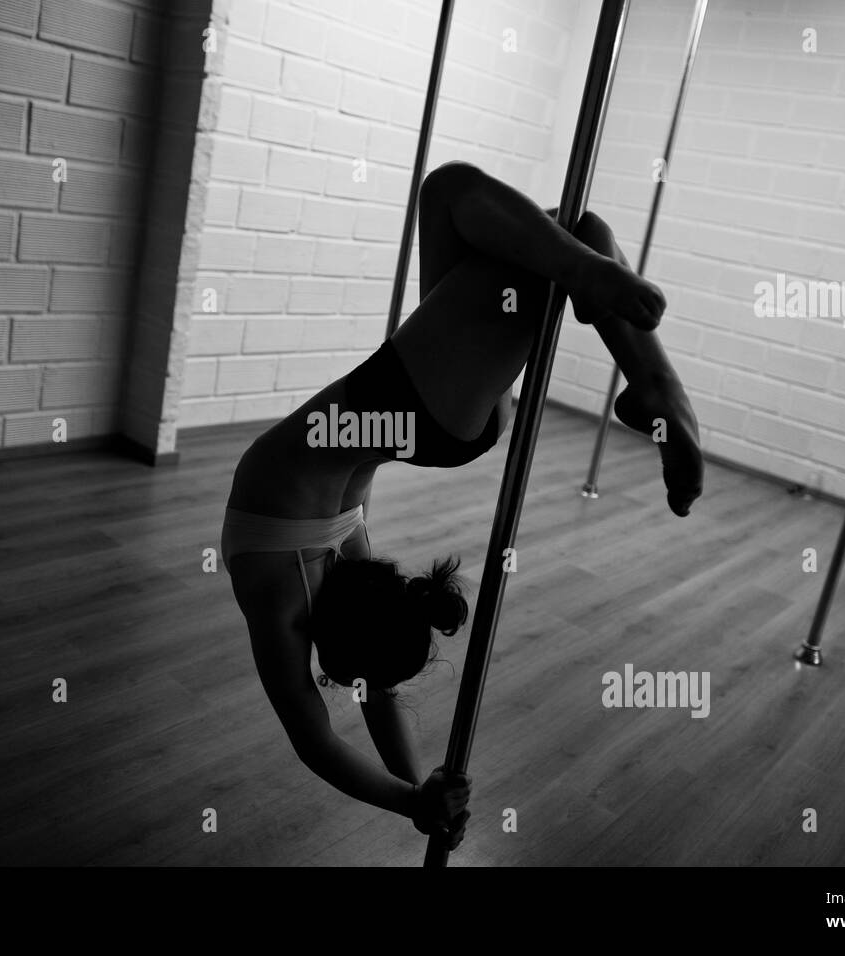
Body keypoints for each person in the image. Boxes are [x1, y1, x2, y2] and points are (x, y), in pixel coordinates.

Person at [222, 161, 704, 852]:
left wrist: (417, 795)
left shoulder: (285, 597)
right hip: (420, 413)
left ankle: (624, 332)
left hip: (437, 414)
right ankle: (657, 382)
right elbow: (358, 700)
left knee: (553, 227)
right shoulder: (316, 590)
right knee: (504, 212)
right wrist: (412, 797)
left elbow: (318, 736)